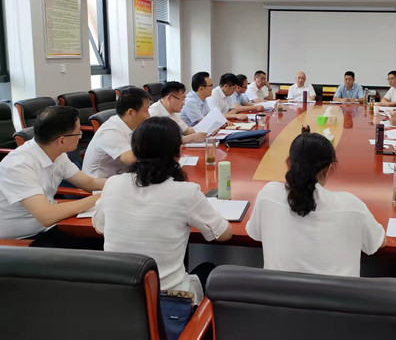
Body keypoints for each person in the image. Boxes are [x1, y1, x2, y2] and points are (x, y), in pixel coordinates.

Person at [93, 117, 233, 304]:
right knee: (209, 269)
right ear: (179, 152)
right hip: (170, 302)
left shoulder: (112, 184)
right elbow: (223, 234)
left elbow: (100, 227)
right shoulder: (186, 192)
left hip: (119, 297)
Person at [246, 133, 386, 277]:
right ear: (328, 169)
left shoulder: (268, 195)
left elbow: (255, 233)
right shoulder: (352, 206)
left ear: (288, 164)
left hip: (277, 291)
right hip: (340, 292)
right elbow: (378, 242)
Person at [0, 106, 105, 243]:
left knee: (104, 242)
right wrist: (98, 198)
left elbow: (89, 183)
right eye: (78, 132)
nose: (81, 136)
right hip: (23, 240)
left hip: (49, 228)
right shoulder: (18, 165)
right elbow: (47, 216)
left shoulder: (57, 154)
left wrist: (122, 183)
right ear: (61, 140)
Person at [82, 87, 152, 178]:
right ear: (131, 112)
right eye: (146, 110)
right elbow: (131, 159)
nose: (149, 115)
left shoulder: (132, 124)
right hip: (100, 182)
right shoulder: (110, 131)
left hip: (120, 176)